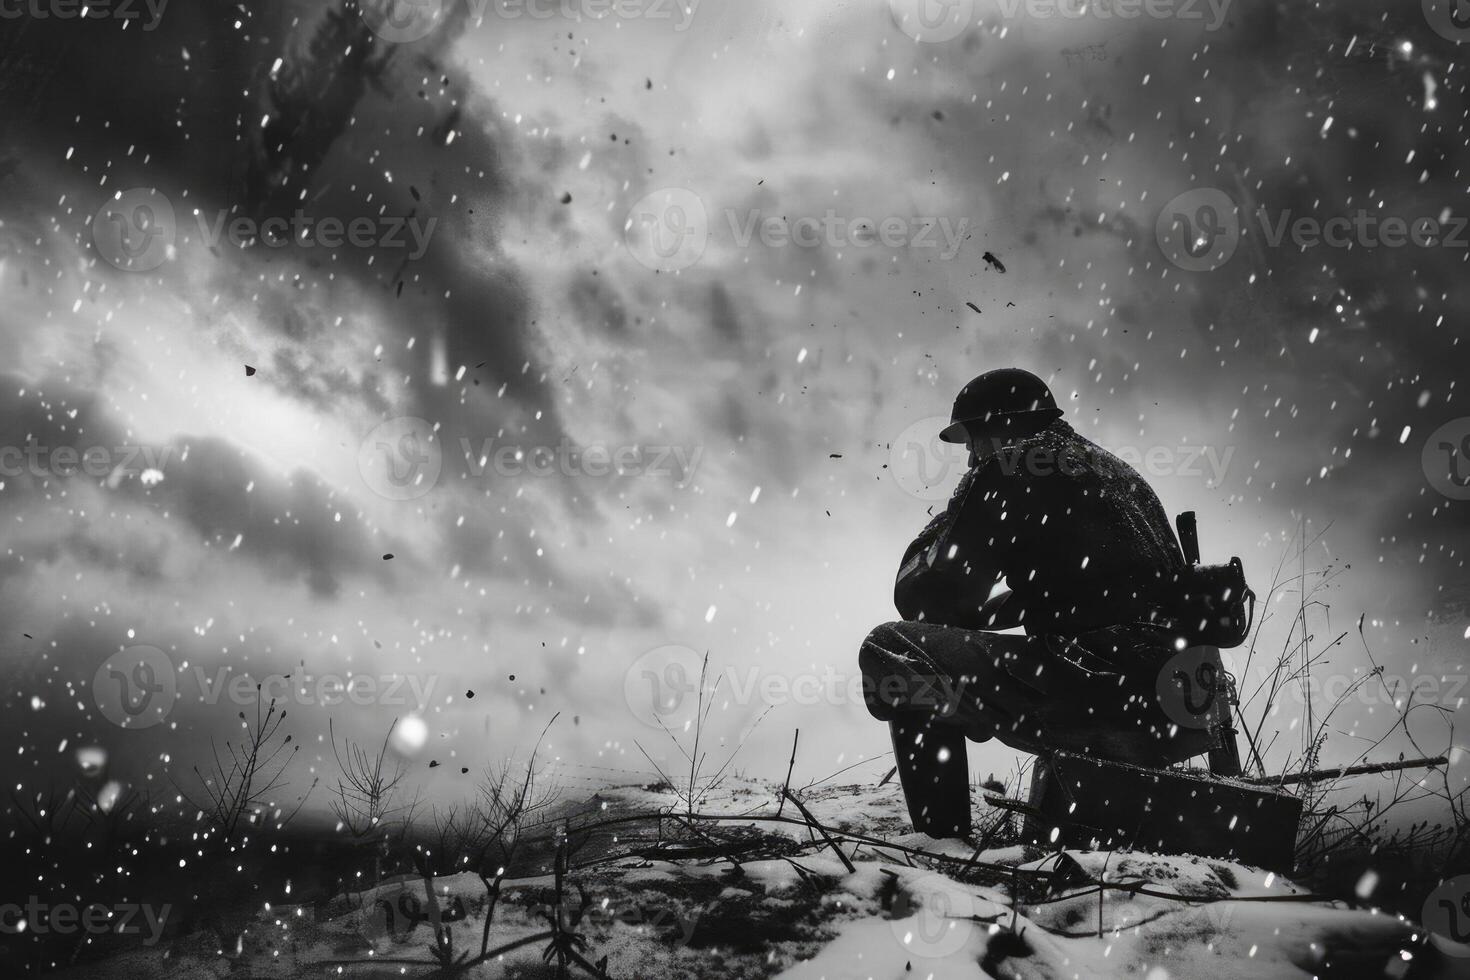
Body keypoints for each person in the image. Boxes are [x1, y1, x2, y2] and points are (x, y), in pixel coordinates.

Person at [860, 368, 1230, 836]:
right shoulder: (1114, 471)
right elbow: (1078, 592)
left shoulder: (1012, 464)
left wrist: (945, 521)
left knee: (891, 650)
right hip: (1177, 709)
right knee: (940, 662)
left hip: (1101, 691)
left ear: (1002, 426)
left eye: (973, 440)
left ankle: (941, 844)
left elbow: (924, 598)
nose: (971, 457)